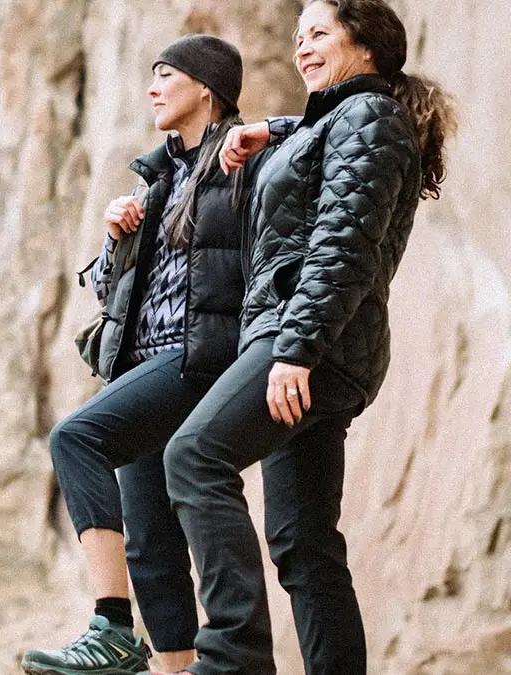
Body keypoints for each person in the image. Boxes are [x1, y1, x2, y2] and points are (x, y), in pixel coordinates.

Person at [151, 2, 458, 674]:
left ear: (368, 46)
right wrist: (273, 129)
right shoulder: (350, 118)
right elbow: (330, 139)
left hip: (306, 341)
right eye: (298, 38)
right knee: (304, 540)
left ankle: (233, 656)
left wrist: (295, 349)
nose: (303, 49)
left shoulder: (369, 118)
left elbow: (343, 244)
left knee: (194, 457)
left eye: (319, 34)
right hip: (321, 344)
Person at [20, 35, 278, 675]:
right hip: (144, 362)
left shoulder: (245, 163)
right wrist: (115, 242)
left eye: (168, 75)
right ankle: (170, 666)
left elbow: (318, 140)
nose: (153, 88)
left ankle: (110, 623)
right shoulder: (157, 179)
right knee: (152, 544)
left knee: (76, 438)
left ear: (207, 90)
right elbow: (119, 294)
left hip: (198, 357)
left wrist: (267, 130)